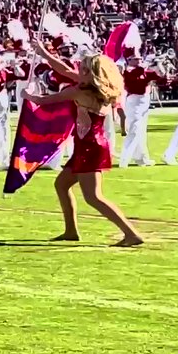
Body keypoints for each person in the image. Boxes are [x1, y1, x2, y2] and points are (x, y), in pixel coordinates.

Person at [29, 45, 144, 247]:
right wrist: (44, 53)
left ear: (91, 73)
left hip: (89, 146)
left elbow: (44, 100)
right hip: (89, 144)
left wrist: (28, 96)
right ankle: (71, 231)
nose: (77, 71)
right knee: (61, 185)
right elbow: (64, 70)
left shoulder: (79, 92)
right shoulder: (98, 88)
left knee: (93, 197)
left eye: (82, 68)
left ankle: (131, 233)